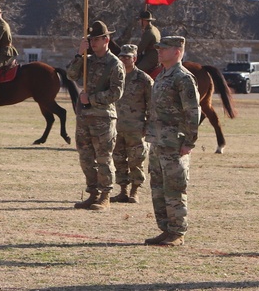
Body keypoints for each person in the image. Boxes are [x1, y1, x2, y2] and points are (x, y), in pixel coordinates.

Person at [145, 36, 201, 246]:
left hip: (174, 143)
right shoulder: (162, 75)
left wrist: (189, 141)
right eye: (158, 48)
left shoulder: (183, 78)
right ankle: (166, 229)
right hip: (158, 141)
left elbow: (193, 112)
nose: (159, 52)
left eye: (164, 49)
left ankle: (177, 232)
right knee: (158, 188)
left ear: (177, 51)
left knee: (174, 188)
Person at [67, 20, 125, 210]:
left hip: (103, 117)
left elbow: (116, 93)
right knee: (85, 157)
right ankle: (93, 193)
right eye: (91, 39)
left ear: (106, 39)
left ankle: (105, 195)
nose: (93, 43)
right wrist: (79, 53)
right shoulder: (87, 60)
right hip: (84, 116)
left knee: (103, 158)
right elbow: (71, 75)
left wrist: (91, 99)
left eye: (97, 39)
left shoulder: (115, 64)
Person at [112, 44, 153, 204]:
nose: (123, 59)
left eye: (127, 57)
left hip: (136, 128)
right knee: (119, 160)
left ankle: (135, 191)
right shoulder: (115, 77)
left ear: (134, 59)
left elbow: (152, 105)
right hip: (117, 127)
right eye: (121, 56)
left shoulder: (144, 80)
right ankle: (123, 190)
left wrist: (147, 127)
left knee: (136, 161)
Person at [136, 10, 161, 76]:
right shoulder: (155, 29)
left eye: (140, 20)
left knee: (136, 71)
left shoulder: (148, 33)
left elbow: (140, 48)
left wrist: (130, 53)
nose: (139, 22)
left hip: (151, 58)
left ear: (144, 21)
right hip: (155, 55)